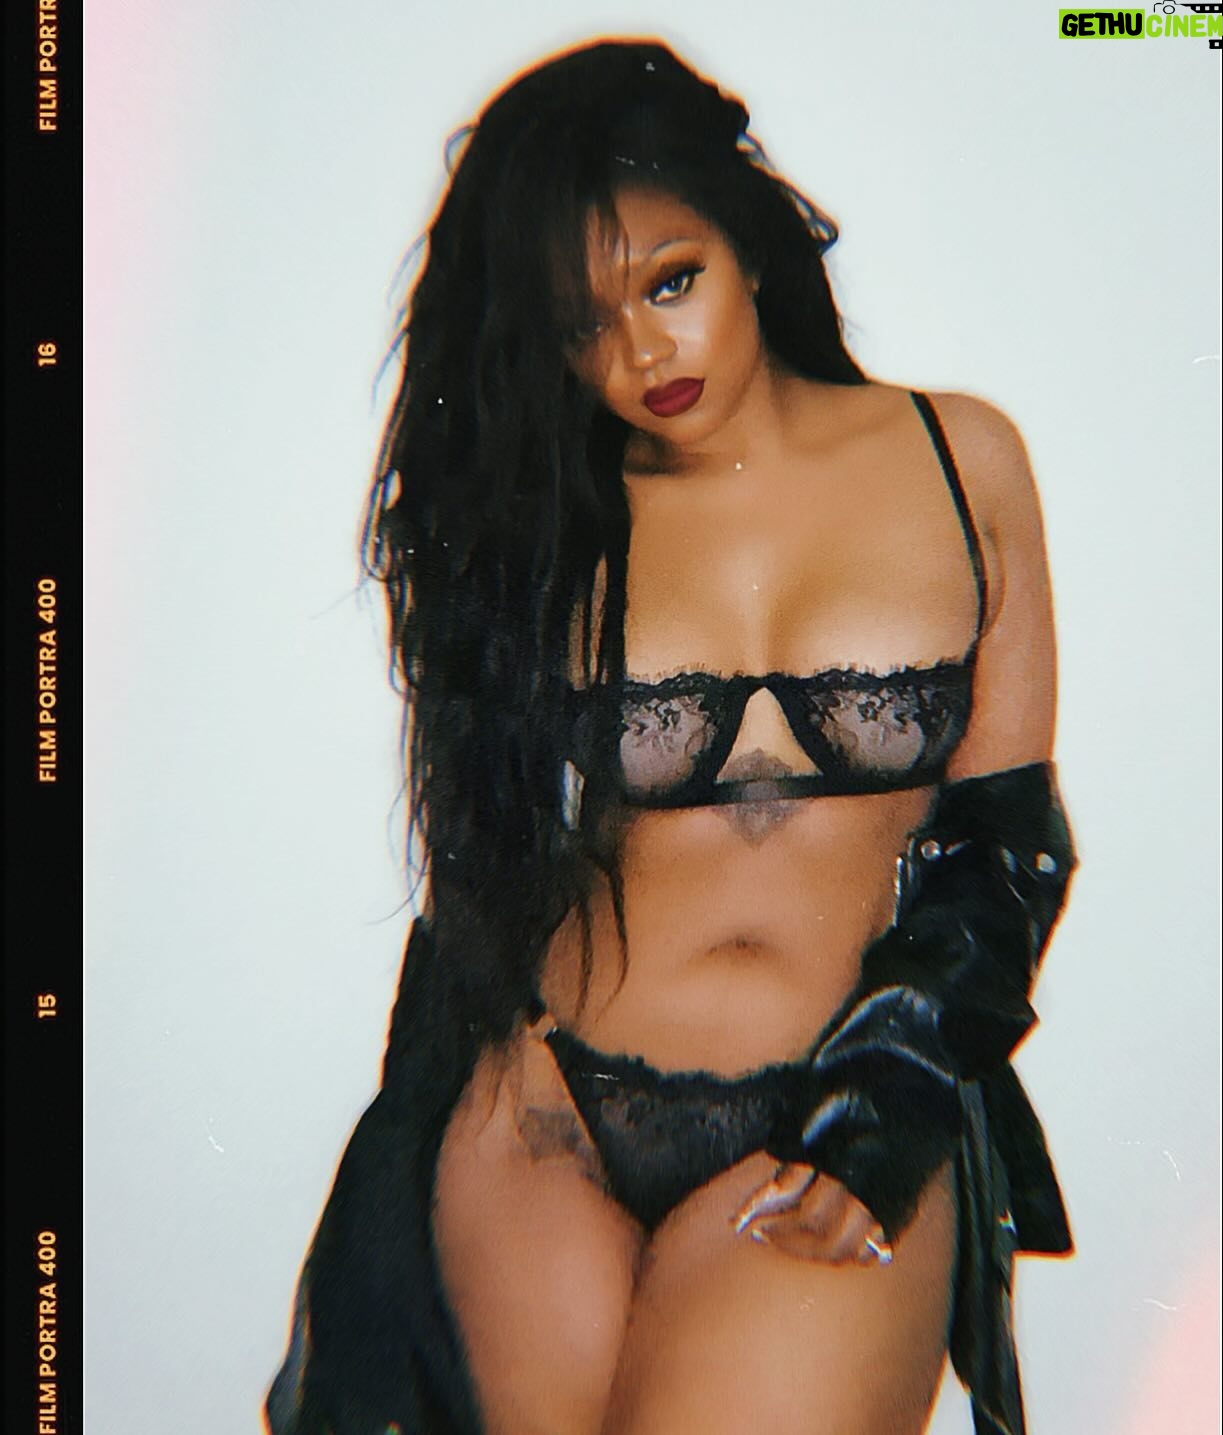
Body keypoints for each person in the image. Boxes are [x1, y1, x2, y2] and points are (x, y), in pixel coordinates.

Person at [267, 38, 1074, 1435]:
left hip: (826, 1116)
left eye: (670, 282)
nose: (641, 354)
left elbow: (1003, 853)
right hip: (546, 1125)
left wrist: (888, 1103)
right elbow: (489, 838)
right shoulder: (550, 519)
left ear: (748, 243)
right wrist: (496, 1049)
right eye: (584, 324)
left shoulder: (961, 460)